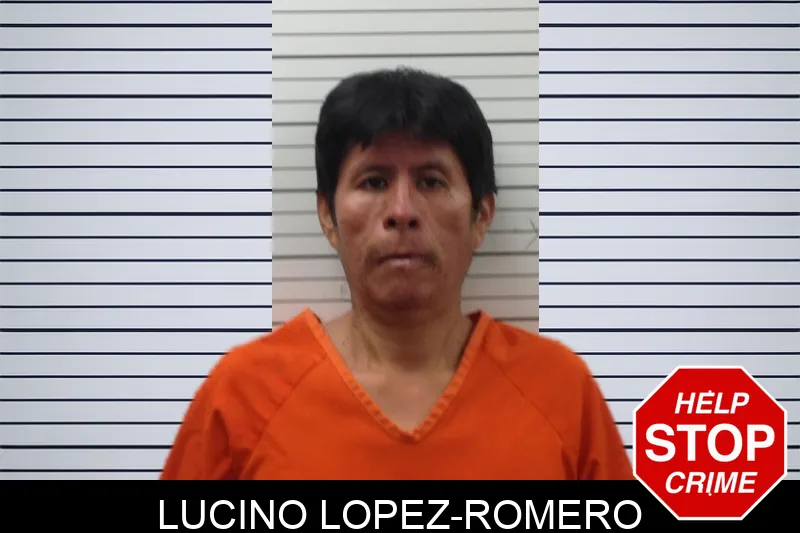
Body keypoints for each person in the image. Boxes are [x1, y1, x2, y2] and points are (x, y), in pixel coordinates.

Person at [160, 68, 633, 480]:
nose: (402, 211)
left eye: (431, 181)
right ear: (327, 216)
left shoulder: (559, 391)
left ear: (481, 216)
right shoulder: (243, 395)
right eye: (374, 181)